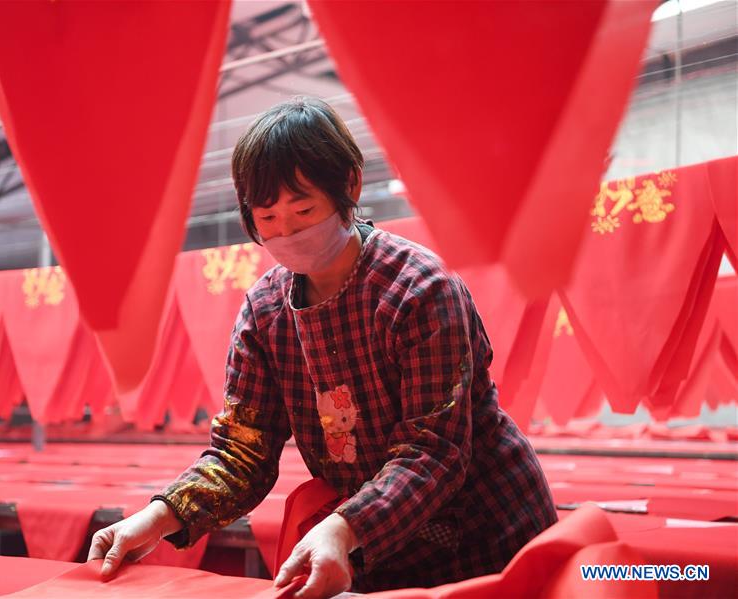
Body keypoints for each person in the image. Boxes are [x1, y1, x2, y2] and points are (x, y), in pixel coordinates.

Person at [88, 97, 558, 598]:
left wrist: (343, 526)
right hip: (371, 538)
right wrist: (159, 516)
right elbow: (242, 453)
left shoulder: (418, 290)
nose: (287, 231)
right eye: (267, 217)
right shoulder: (266, 314)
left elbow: (433, 451)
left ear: (350, 185)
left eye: (304, 208)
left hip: (484, 528)